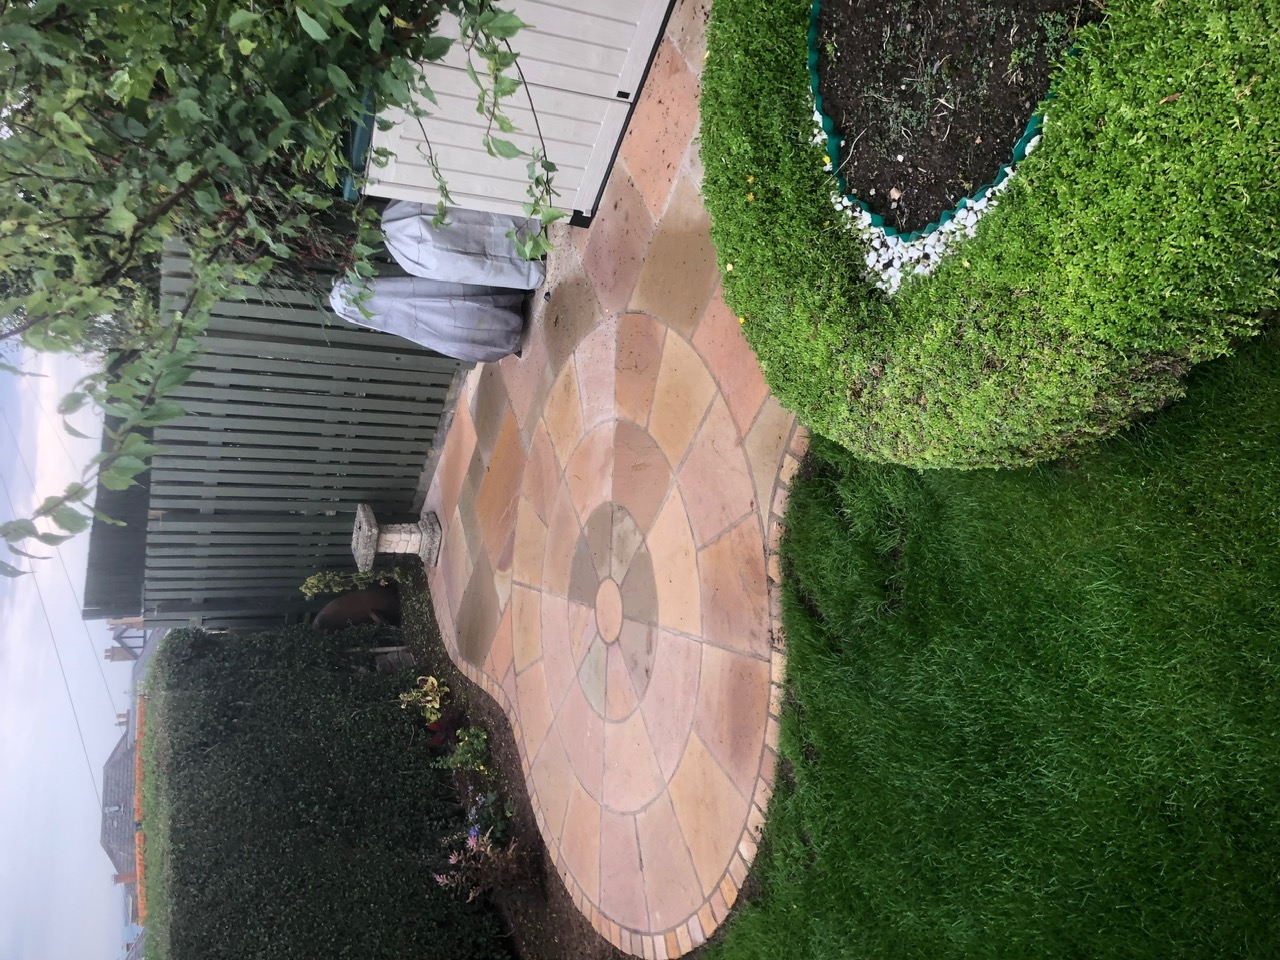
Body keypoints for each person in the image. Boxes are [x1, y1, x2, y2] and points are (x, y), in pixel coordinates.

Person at [328, 202, 545, 362]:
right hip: (454, 303)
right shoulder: (394, 282)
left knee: (468, 306)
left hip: (451, 322)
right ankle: (515, 304)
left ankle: (511, 329)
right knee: (471, 295)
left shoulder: (387, 312)